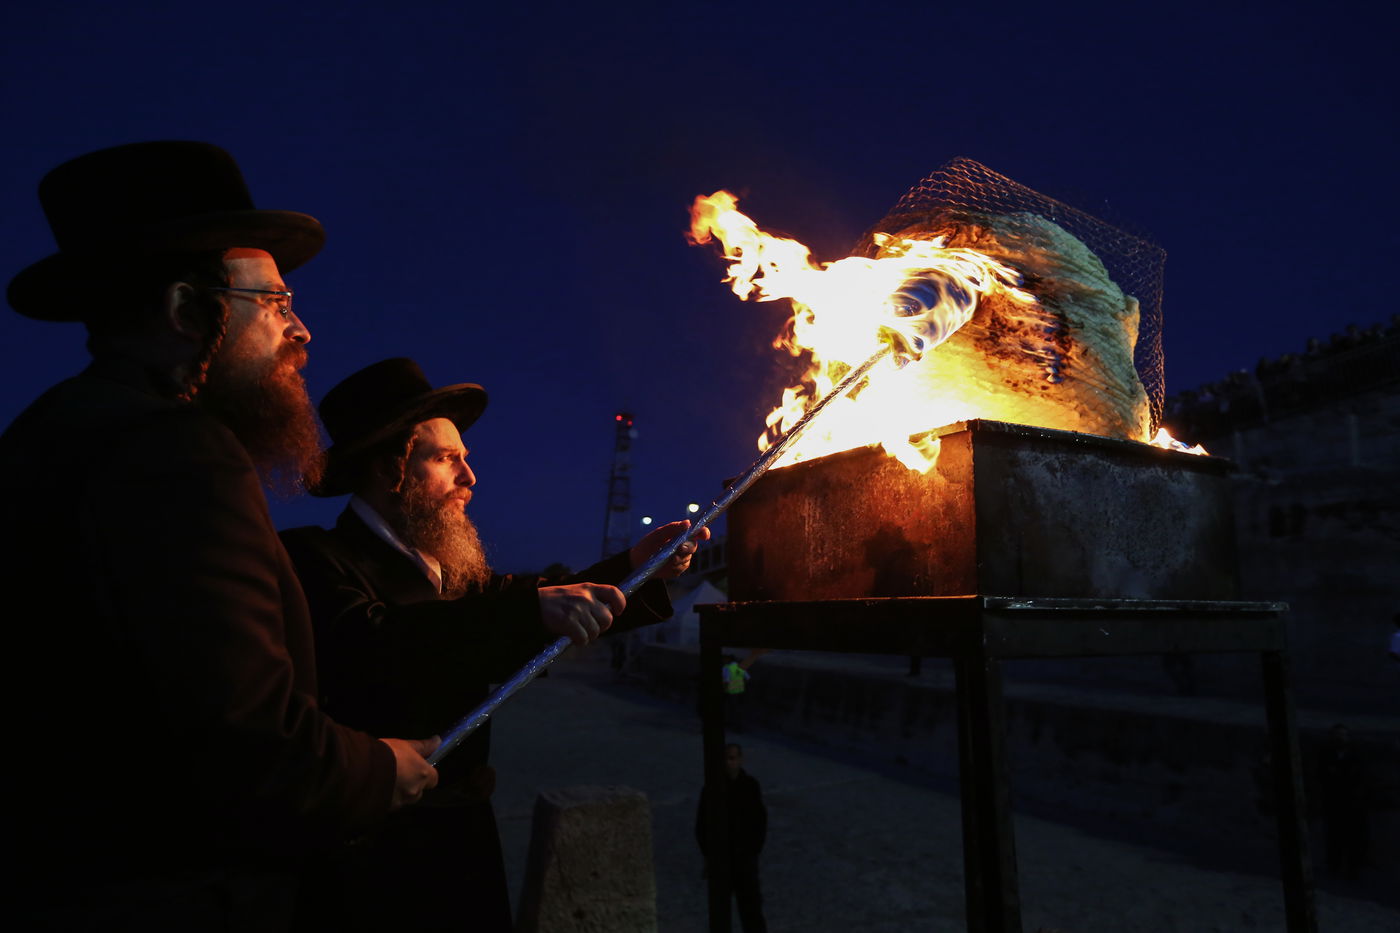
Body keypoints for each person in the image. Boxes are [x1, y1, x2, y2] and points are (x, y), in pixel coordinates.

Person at [1, 142, 438, 931]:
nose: (300, 330)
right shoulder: (173, 453)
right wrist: (380, 768)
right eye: (273, 304)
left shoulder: (48, 432)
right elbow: (248, 742)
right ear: (185, 311)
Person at [280, 357, 705, 931]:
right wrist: (529, 611)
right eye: (445, 459)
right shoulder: (315, 558)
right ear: (388, 471)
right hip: (371, 857)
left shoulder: (457, 578)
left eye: (466, 459)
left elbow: (539, 598)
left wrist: (639, 567)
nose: (470, 479)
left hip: (465, 841)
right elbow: (376, 642)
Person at [695, 743, 769, 933]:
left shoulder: (750, 786)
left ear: (740, 760)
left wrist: (752, 850)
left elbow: (759, 821)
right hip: (722, 860)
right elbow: (702, 823)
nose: (728, 763)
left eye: (732, 758)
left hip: (744, 859)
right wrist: (710, 853)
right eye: (725, 759)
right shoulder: (712, 788)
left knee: (751, 911)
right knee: (721, 913)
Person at [723, 653, 752, 732]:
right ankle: (738, 726)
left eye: (724, 659)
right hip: (740, 691)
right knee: (736, 709)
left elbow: (726, 681)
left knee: (729, 708)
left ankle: (731, 725)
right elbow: (747, 678)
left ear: (728, 660)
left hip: (730, 691)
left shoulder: (727, 668)